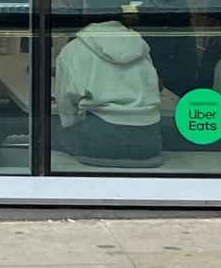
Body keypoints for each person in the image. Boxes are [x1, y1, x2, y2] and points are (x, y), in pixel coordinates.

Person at [53, 17, 163, 167]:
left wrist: (70, 126)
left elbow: (66, 100)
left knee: (48, 135)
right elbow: (154, 86)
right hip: (149, 139)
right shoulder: (140, 47)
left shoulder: (74, 49)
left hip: (99, 137)